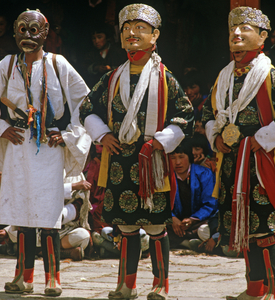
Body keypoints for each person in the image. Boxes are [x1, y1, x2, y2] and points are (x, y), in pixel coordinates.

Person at [0, 9, 90, 296]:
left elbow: (84, 103)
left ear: (45, 32)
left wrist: (66, 135)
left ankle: (53, 278)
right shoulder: (7, 64)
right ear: (14, 32)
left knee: (48, 214)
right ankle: (23, 277)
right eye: (22, 30)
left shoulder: (58, 63)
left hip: (49, 146)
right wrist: (0, 127)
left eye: (33, 30)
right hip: (18, 144)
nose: (28, 36)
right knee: (22, 213)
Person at [79, 4, 193, 300]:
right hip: (119, 160)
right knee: (126, 226)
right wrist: (102, 134)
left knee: (156, 225)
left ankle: (160, 284)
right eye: (127, 28)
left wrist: (160, 141)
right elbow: (87, 108)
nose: (132, 33)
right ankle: (126, 284)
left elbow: (186, 115)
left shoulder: (165, 78)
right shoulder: (111, 78)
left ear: (155, 35)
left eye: (140, 28)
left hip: (151, 160)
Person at [202, 7, 275, 300]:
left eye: (244, 29)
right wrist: (216, 136)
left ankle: (271, 291)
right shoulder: (224, 76)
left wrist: (262, 139)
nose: (236, 34)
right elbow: (206, 112)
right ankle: (253, 290)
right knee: (246, 231)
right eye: (232, 30)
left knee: (264, 231)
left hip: (260, 165)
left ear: (262, 37)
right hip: (231, 164)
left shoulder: (270, 76)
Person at [167, 141, 218, 249]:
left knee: (205, 230)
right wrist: (172, 218)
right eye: (173, 158)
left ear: (189, 157)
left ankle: (184, 241)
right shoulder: (165, 176)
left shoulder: (204, 173)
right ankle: (188, 242)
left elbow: (210, 203)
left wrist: (193, 219)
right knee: (159, 228)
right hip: (174, 224)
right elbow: (161, 202)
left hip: (198, 222)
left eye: (181, 157)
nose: (178, 162)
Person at [83, 22, 125, 88]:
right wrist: (96, 68)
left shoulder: (118, 51)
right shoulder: (91, 53)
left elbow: (124, 68)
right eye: (94, 38)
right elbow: (84, 68)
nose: (96, 41)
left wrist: (111, 69)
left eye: (99, 37)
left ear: (107, 37)